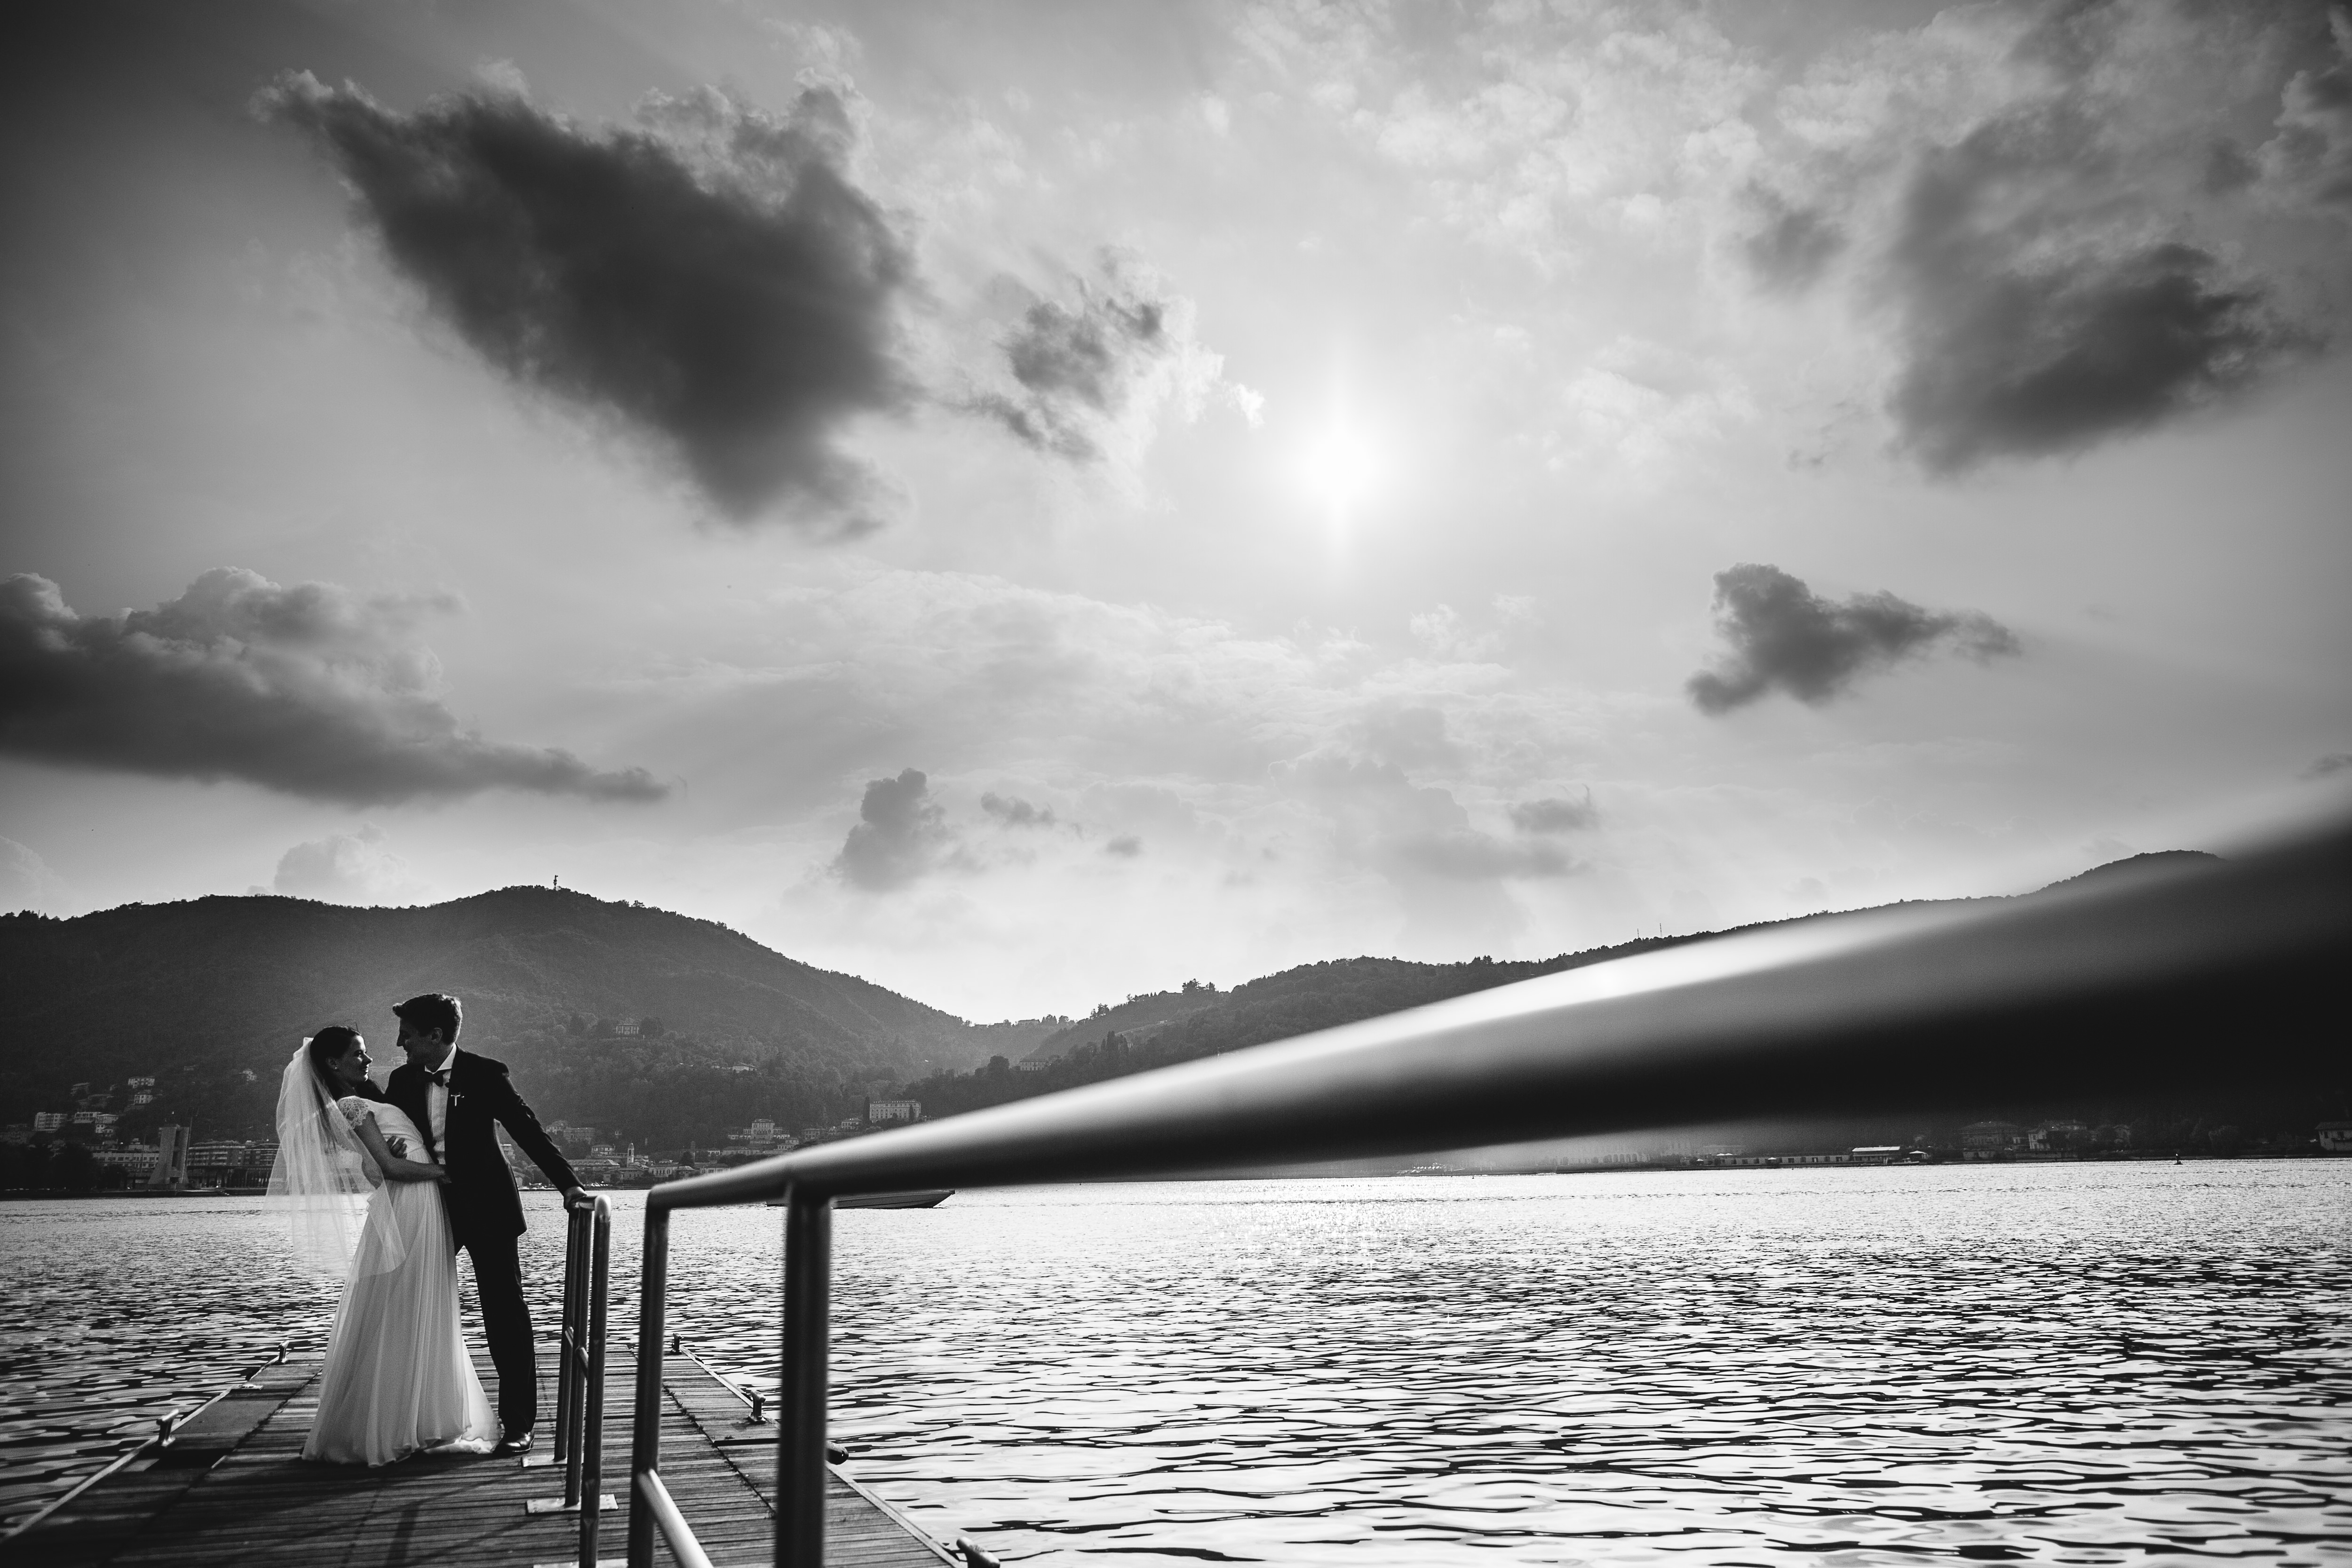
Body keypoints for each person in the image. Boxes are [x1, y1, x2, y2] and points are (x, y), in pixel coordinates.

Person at [268, 1027, 499, 1465]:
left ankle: (414, 1415)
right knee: (409, 1304)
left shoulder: (353, 1104)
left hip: (416, 1204)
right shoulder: (351, 1105)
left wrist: (409, 1161)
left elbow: (376, 1168)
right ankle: (402, 1420)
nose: (368, 1058)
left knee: (412, 1304)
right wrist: (446, 1173)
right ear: (333, 1063)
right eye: (358, 1053)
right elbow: (392, 1168)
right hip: (413, 1204)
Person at [384, 992, 582, 1456]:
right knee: (411, 1304)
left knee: (504, 1316)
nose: (400, 1043)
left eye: (408, 1035)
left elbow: (528, 1129)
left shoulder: (485, 1073)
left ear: (435, 1036)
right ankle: (411, 1417)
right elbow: (389, 1133)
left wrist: (569, 1187)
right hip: (429, 1209)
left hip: (489, 1210)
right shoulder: (400, 1080)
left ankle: (519, 1425)